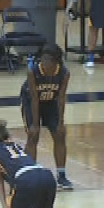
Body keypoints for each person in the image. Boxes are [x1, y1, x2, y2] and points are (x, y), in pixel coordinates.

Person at [20, 44, 73, 190]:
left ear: (55, 61)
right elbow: (34, 100)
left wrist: (61, 122)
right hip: (32, 103)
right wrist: (35, 124)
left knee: (60, 134)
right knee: (33, 135)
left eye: (47, 60)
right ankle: (28, 175)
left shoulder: (64, 73)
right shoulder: (33, 72)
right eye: (42, 59)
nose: (43, 62)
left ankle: (61, 176)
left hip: (51, 103)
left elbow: (61, 98)